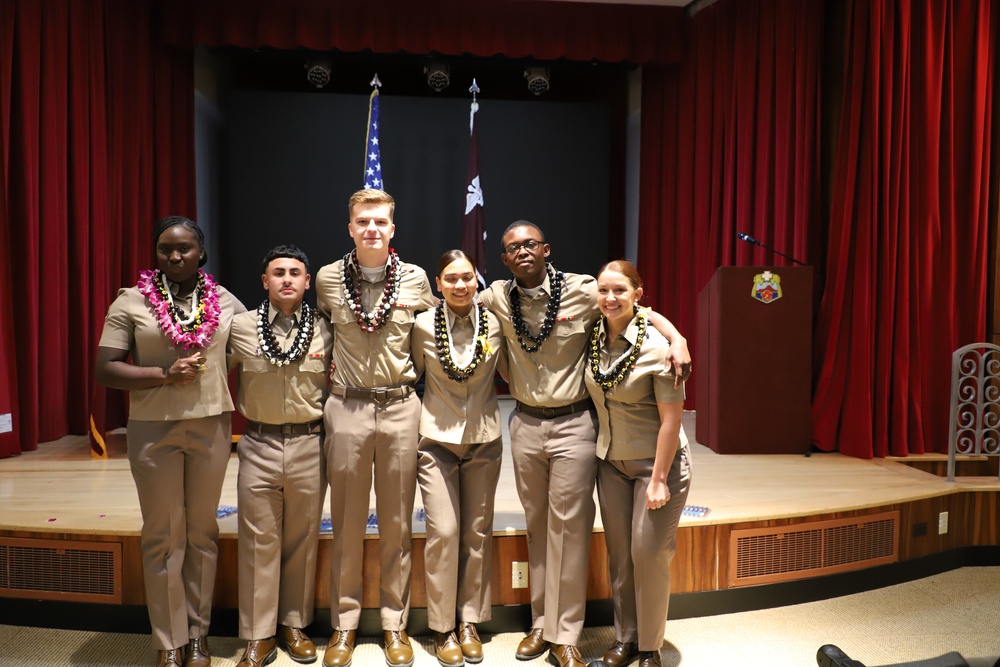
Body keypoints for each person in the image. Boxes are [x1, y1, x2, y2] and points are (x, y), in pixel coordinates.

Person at [478, 221, 690, 667]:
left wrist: (676, 337)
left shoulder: (583, 290)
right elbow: (457, 303)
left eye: (530, 243)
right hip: (525, 424)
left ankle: (566, 634)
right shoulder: (496, 296)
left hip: (575, 422)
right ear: (503, 258)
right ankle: (541, 623)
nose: (522, 251)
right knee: (538, 527)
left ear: (547, 248)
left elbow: (635, 308)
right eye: (512, 247)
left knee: (570, 530)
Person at [95, 216, 245, 667]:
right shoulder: (132, 301)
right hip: (152, 429)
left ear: (201, 252)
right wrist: (163, 374)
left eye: (184, 248)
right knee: (163, 536)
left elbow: (236, 356)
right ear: (155, 253)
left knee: (201, 533)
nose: (175, 256)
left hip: (211, 428)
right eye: (165, 249)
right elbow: (105, 368)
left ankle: (198, 637)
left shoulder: (225, 302)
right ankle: (168, 640)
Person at [315, 188, 435, 667]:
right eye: (363, 221)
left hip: (401, 406)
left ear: (392, 228)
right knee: (345, 522)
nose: (372, 229)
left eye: (380, 221)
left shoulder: (415, 279)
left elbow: (439, 329)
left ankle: (394, 624)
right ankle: (344, 626)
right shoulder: (326, 279)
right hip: (347, 409)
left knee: (398, 523)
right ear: (350, 227)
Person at [227, 245, 334, 667]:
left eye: (295, 272)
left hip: (310, 443)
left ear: (308, 282)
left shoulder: (327, 328)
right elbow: (213, 374)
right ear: (265, 280)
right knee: (258, 540)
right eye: (278, 272)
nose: (287, 278)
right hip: (259, 442)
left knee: (302, 539)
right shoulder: (240, 327)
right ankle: (259, 634)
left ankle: (294, 624)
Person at [583, 260, 690, 667]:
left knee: (648, 555)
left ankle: (650, 648)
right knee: (620, 556)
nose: (610, 299)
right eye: (604, 290)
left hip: (656, 465)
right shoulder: (593, 334)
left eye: (620, 291)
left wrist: (660, 479)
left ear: (638, 295)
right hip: (611, 463)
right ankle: (624, 639)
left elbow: (671, 421)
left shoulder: (659, 350)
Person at [411, 250, 507, 667]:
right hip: (436, 441)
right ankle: (441, 626)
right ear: (438, 284)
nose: (460, 285)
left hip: (485, 439)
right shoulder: (421, 326)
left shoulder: (496, 324)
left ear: (477, 281)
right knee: (445, 534)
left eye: (467, 277)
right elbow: (414, 372)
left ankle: (470, 621)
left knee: (477, 533)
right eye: (451, 279)